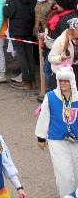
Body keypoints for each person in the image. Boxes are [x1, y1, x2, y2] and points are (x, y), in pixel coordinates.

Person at [35, 61, 78, 197]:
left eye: (66, 80)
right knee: (64, 173)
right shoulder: (51, 96)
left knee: (77, 171)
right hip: (57, 140)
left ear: (72, 81)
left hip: (76, 140)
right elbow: (44, 117)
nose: (63, 83)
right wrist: (41, 137)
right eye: (61, 80)